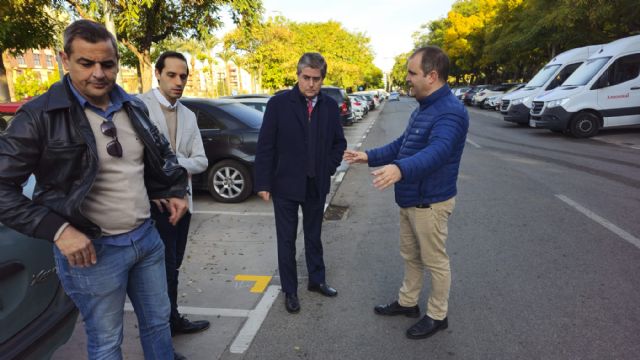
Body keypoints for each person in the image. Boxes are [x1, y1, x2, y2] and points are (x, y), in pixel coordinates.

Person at [0, 20, 189, 359]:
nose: (99, 73)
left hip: (145, 239)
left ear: (117, 61)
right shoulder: (39, 115)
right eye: (86, 63)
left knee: (158, 324)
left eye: (108, 63)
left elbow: (160, 154)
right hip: (93, 252)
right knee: (106, 342)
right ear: (65, 59)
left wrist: (175, 188)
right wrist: (57, 230)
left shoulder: (133, 106)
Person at [344, 46, 469, 340]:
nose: (408, 79)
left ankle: (438, 316)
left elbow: (438, 152)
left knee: (435, 261)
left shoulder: (450, 111)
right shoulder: (425, 107)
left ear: (432, 76)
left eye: (413, 73)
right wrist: (368, 156)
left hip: (431, 202)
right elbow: (404, 144)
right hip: (412, 198)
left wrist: (399, 169)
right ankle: (407, 303)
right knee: (411, 256)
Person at [254, 52, 347, 313]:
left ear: (322, 79)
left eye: (316, 79)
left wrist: (327, 168)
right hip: (285, 185)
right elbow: (265, 146)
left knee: (314, 236)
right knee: (286, 240)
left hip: (316, 186)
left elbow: (339, 143)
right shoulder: (279, 104)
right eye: (306, 78)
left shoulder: (328, 106)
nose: (311, 84)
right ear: (298, 76)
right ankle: (290, 291)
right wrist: (263, 182)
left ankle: (317, 281)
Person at [139, 51, 210, 336]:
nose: (178, 81)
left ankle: (171, 320)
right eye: (172, 74)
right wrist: (179, 163)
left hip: (184, 203)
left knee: (174, 268)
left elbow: (202, 161)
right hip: (152, 205)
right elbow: (140, 160)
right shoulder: (138, 107)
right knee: (158, 272)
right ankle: (161, 329)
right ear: (158, 74)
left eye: (183, 76)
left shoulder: (188, 115)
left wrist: (170, 163)